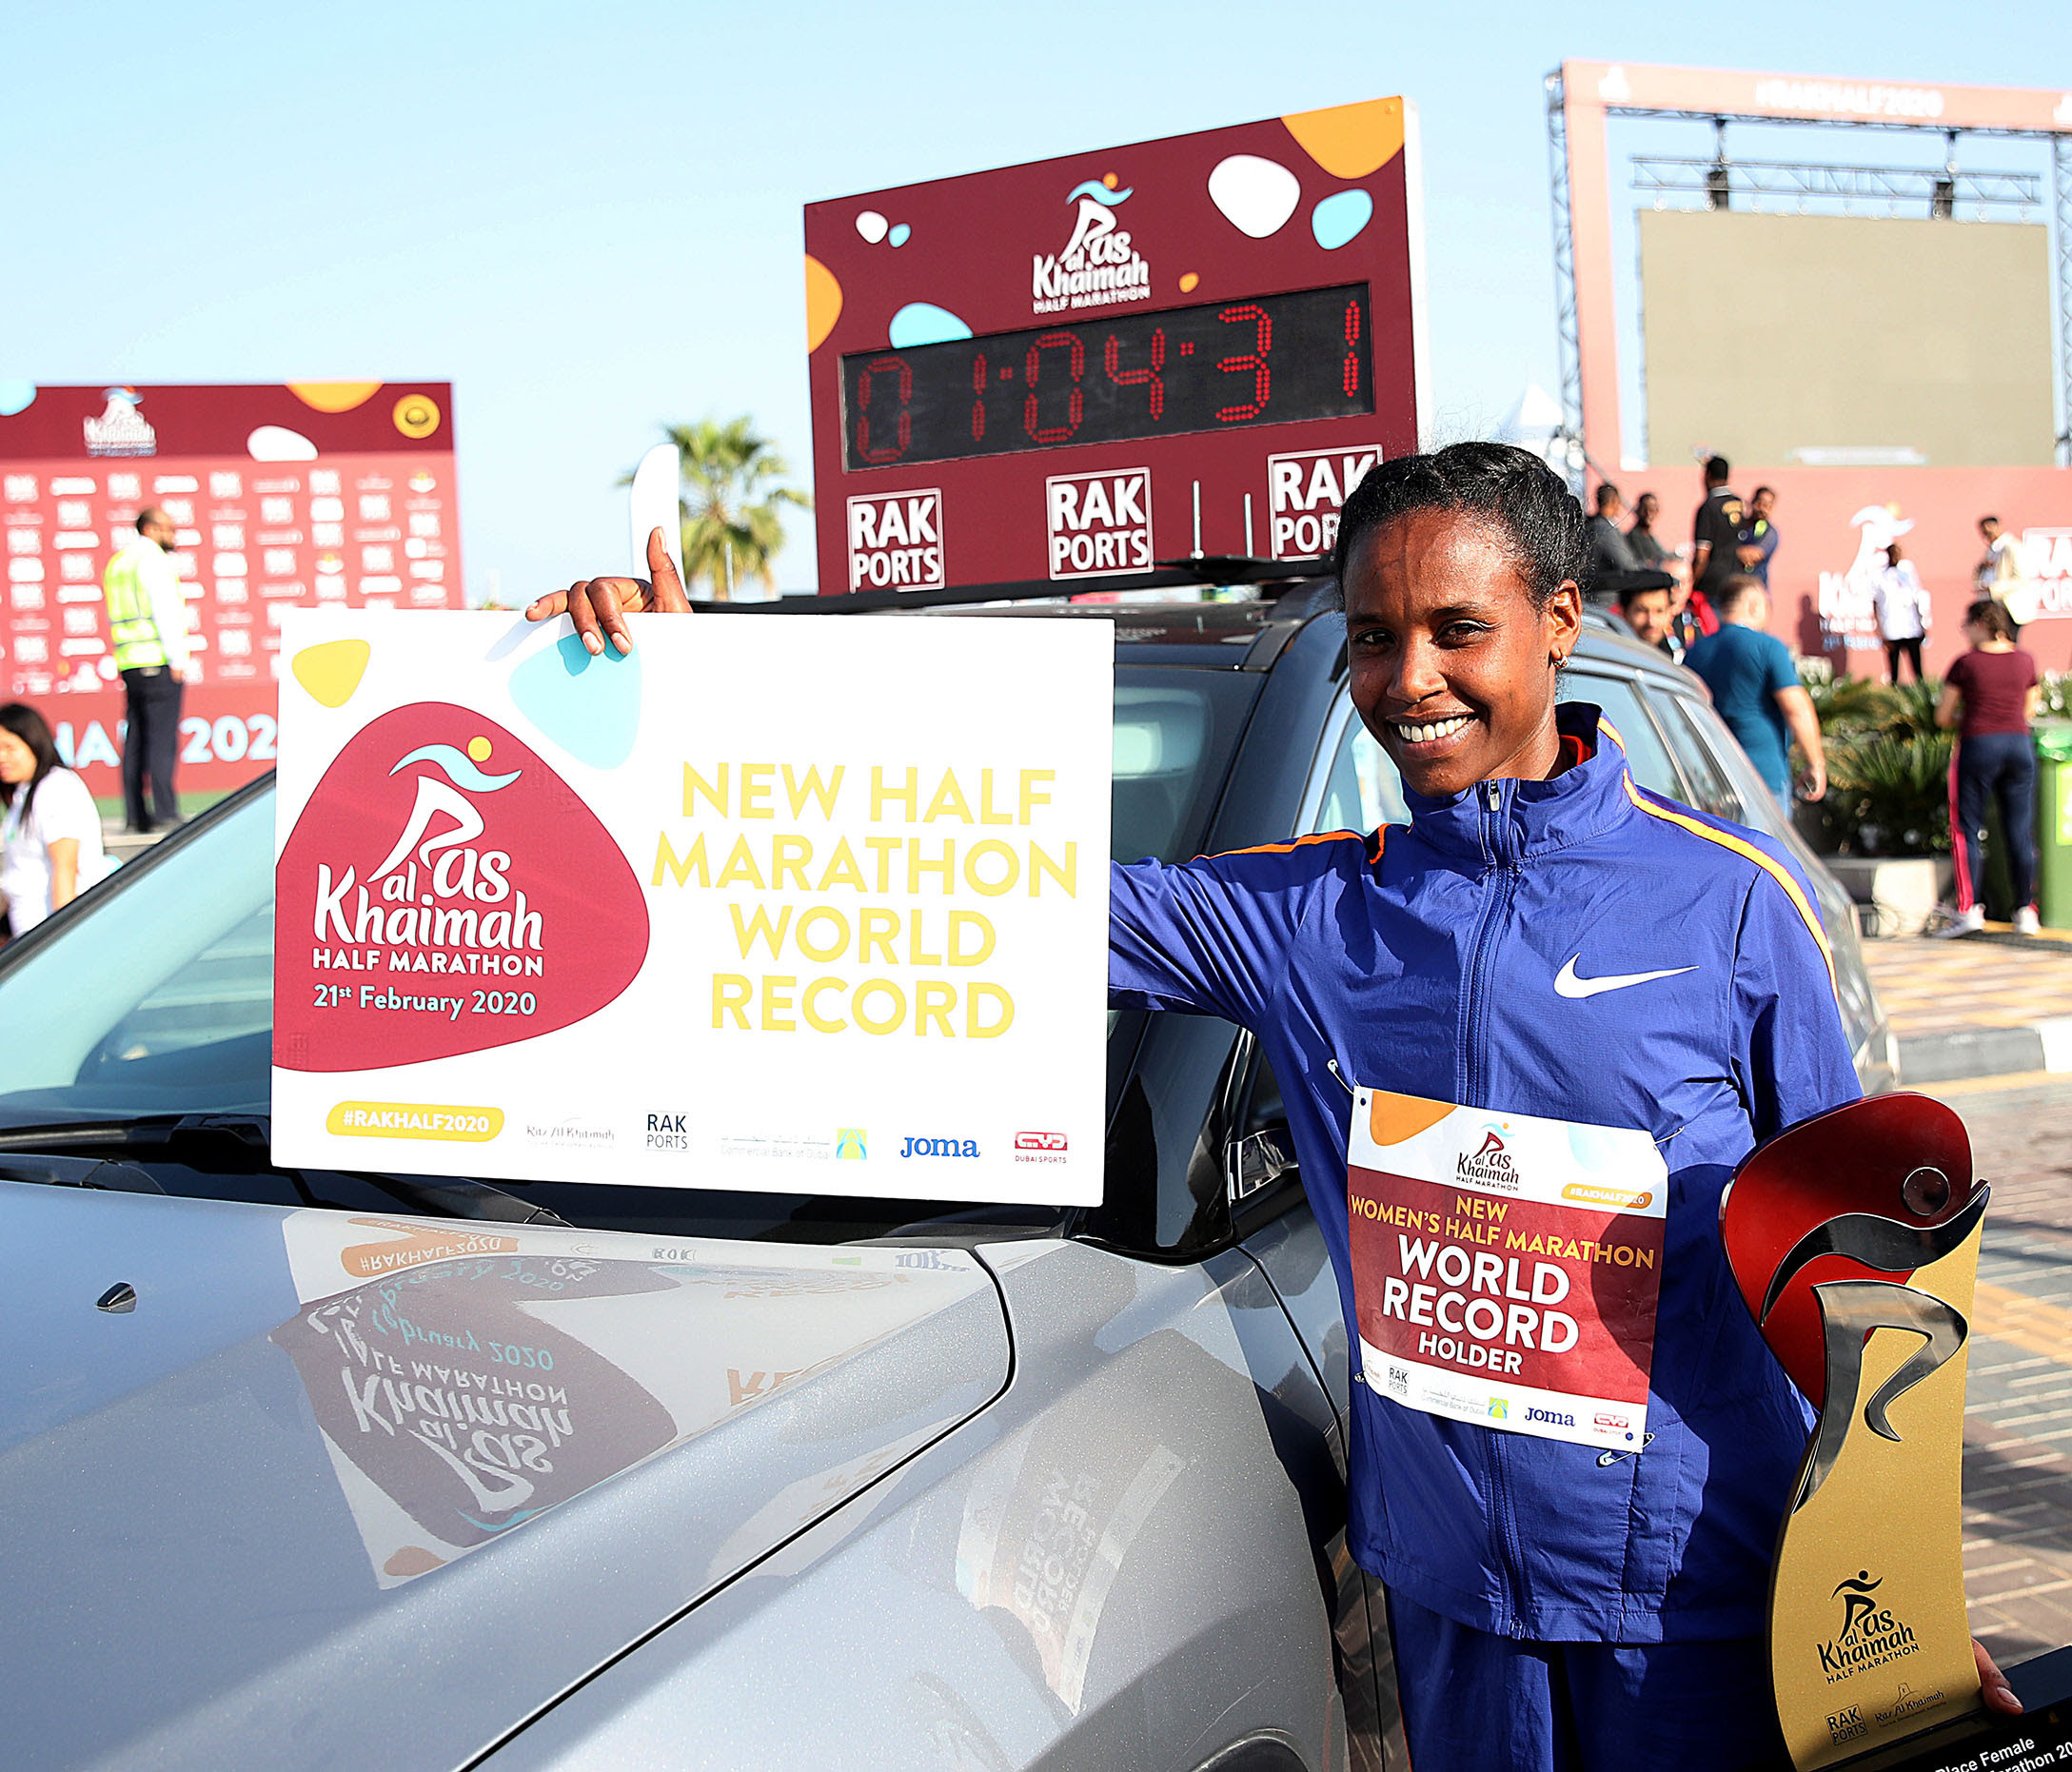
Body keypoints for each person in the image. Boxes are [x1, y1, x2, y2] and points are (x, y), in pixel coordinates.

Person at [531, 443, 2019, 1770]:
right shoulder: (1308, 917)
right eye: (1373, 637)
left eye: (1456, 628)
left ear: (1560, 621)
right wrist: (699, 695)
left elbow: (1853, 1289)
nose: (1410, 677)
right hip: (1449, 1599)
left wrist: (1900, 1599)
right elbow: (978, 887)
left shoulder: (1731, 907)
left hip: (1692, 1592)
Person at [1936, 598, 2041, 937]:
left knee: (1966, 828)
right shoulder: (2024, 660)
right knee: (2020, 831)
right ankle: (2025, 910)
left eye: (1966, 625)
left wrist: (1968, 718)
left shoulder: (1966, 663)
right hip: (2019, 745)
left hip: (1979, 745)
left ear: (1980, 624)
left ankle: (1969, 910)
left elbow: (1943, 715)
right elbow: (2030, 707)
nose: (1964, 632)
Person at [1684, 575, 1826, 806]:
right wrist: (1815, 764)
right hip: (1762, 776)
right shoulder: (1768, 646)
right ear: (1754, 606)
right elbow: (1796, 708)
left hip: (1710, 775)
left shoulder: (1695, 652)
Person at [101, 506, 191, 833]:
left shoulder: (119, 562)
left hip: (129, 661)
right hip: (156, 658)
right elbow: (164, 612)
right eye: (168, 528)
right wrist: (177, 659)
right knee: (161, 739)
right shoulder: (153, 560)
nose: (173, 535)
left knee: (136, 739)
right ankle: (166, 812)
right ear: (150, 529)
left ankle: (136, 814)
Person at [0, 701, 108, 937]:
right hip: (28, 934)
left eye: (9, 747)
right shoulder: (22, 796)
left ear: (33, 742)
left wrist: (62, 938)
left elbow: (66, 869)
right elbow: (18, 877)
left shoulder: (56, 788)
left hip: (51, 936)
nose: (2, 757)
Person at [1584, 482, 1673, 608]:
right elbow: (1627, 564)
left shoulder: (1598, 526)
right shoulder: (1603, 529)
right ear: (1615, 502)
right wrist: (1652, 566)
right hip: (1604, 599)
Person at [1687, 456, 1743, 637]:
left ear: (1707, 475)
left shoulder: (1708, 508)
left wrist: (1691, 582)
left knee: (1713, 635)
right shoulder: (1739, 504)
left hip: (1712, 586)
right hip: (1735, 580)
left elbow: (1702, 555)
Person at [1873, 541, 1931, 684]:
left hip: (1911, 628)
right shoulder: (1881, 577)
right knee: (1894, 671)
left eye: (1897, 553)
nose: (1895, 556)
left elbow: (1917, 598)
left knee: (1917, 669)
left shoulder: (1908, 572)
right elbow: (1875, 604)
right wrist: (1880, 631)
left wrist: (1923, 623)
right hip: (1892, 629)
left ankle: (1921, 693)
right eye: (1892, 553)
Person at [1616, 579, 1681, 662]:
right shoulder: (1613, 656)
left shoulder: (1676, 658)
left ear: (1670, 614)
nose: (1651, 622)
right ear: (1623, 613)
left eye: (1659, 611)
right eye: (1642, 611)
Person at [1736, 485, 1779, 586]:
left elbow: (1752, 555)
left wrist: (1728, 552)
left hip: (1756, 587)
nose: (1762, 509)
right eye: (1760, 503)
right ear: (1752, 502)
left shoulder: (1770, 533)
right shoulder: (1738, 526)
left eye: (1767, 505)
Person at [1626, 491, 1671, 570]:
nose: (1648, 514)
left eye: (1652, 510)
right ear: (1638, 511)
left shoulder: (1649, 537)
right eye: (1645, 510)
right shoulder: (1634, 537)